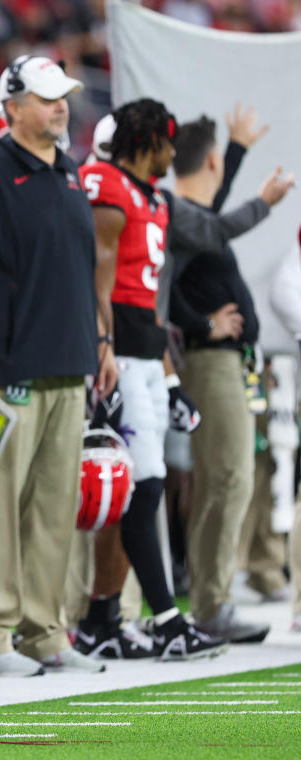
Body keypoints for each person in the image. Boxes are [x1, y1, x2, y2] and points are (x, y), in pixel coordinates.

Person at [0, 55, 116, 677]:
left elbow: (83, 273)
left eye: (63, 96)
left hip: (69, 369)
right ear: (11, 107)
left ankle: (45, 632)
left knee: (55, 509)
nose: (60, 106)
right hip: (2, 375)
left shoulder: (70, 175)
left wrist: (101, 342)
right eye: (45, 97)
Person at [75, 99, 226, 661]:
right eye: (166, 143)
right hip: (118, 357)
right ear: (147, 142)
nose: (171, 153)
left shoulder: (150, 197)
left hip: (142, 354)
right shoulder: (108, 187)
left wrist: (168, 381)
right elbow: (98, 282)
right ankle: (164, 620)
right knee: (140, 489)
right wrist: (103, 350)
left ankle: (102, 617)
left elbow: (148, 303)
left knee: (141, 490)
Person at [168, 115, 294, 643]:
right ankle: (211, 601)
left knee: (230, 479)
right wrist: (200, 324)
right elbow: (161, 288)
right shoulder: (180, 218)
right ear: (211, 160)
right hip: (212, 360)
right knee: (227, 479)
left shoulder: (193, 217)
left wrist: (237, 149)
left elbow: (212, 213)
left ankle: (212, 599)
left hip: (231, 362)